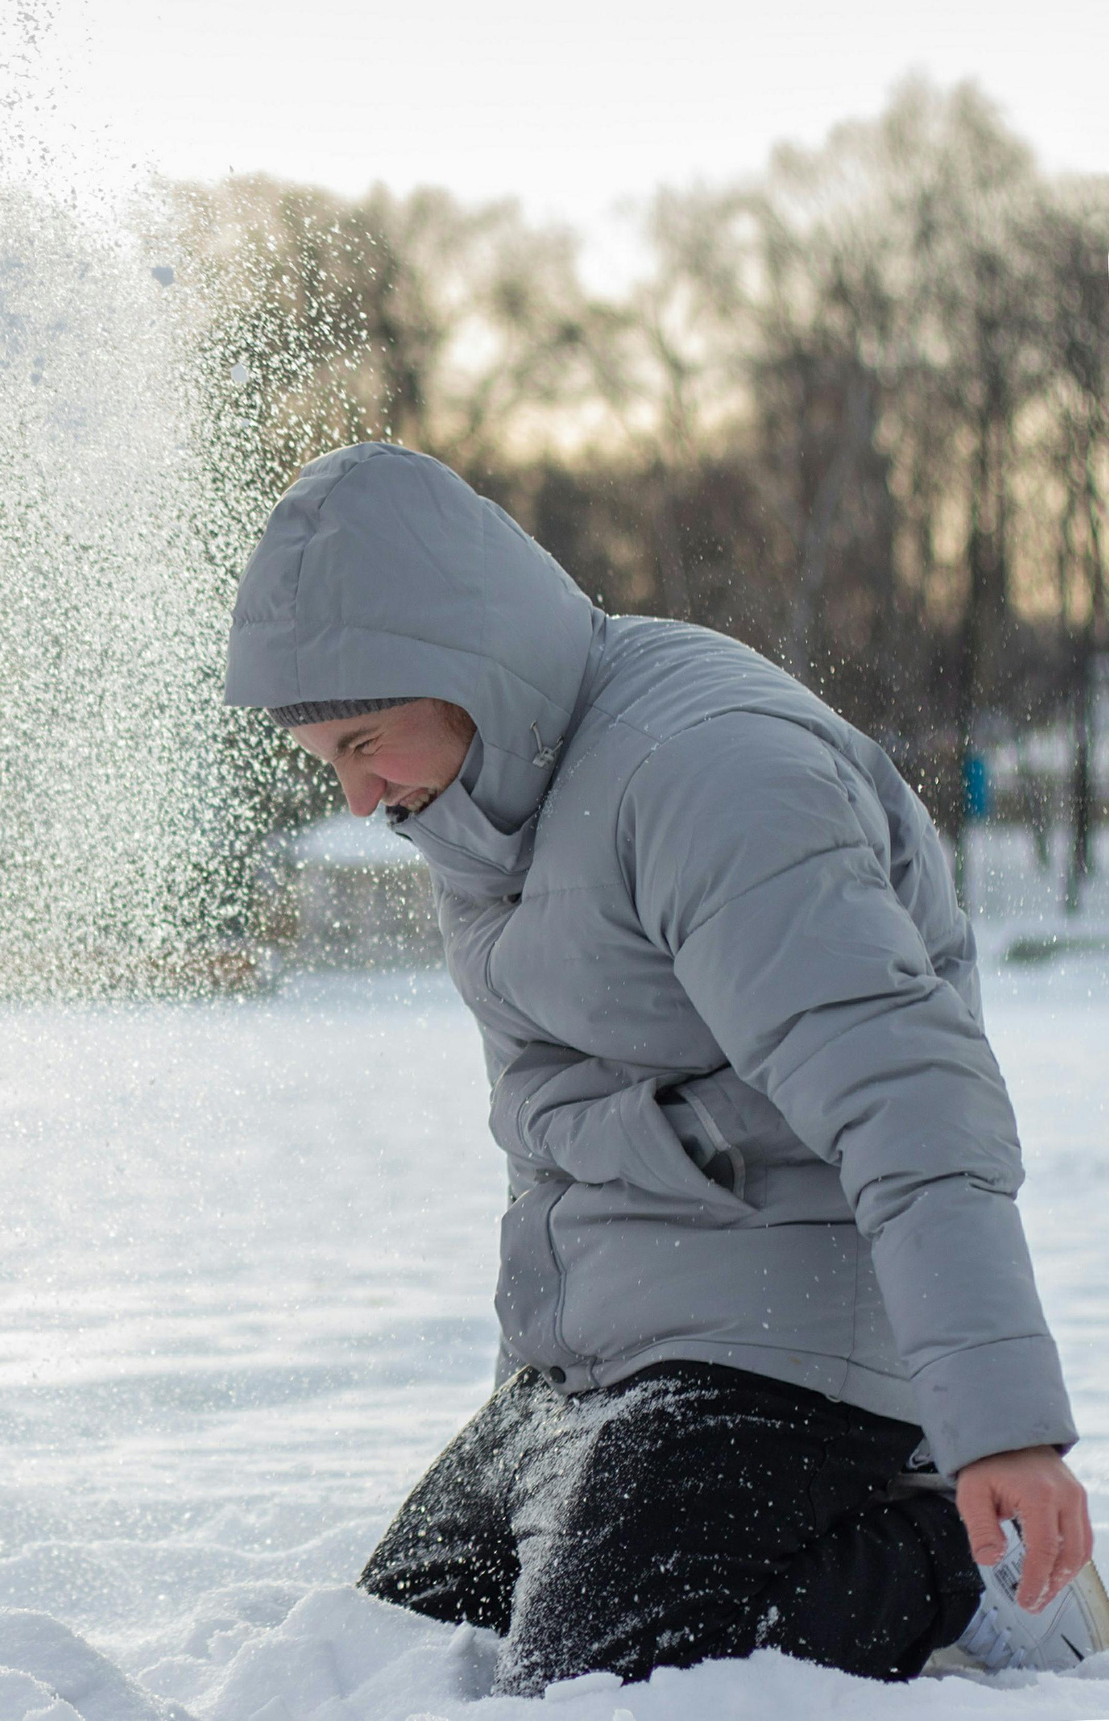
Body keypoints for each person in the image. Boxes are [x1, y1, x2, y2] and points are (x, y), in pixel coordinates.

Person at [226, 442, 1107, 1692]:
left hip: (792, 1337)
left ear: (459, 667)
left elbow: (909, 1096)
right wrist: (532, 1382)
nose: (361, 796)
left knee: (609, 1680)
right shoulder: (472, 803)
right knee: (393, 1651)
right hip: (601, 1363)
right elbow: (545, 1134)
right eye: (329, 761)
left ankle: (953, 1570)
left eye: (366, 741)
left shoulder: (713, 774)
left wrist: (1001, 1427)